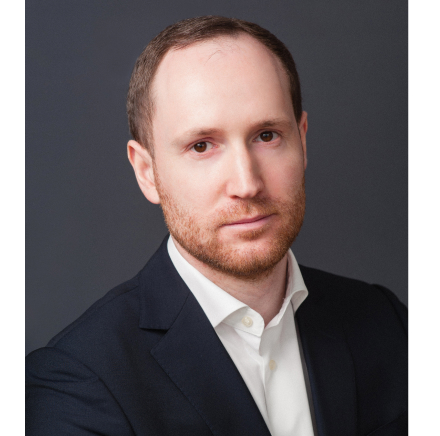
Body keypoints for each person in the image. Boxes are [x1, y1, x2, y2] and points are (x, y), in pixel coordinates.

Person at [26, 16, 407, 436]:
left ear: (301, 140)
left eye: (267, 135)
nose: (247, 184)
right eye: (202, 145)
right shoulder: (76, 384)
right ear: (147, 172)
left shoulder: (386, 322)